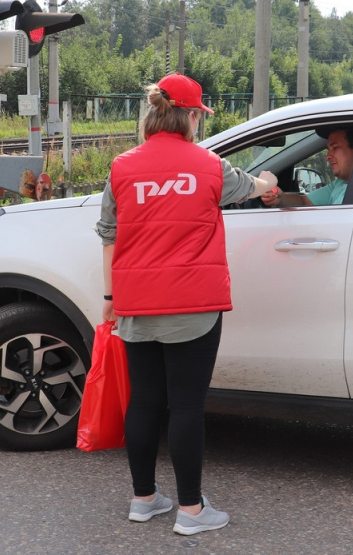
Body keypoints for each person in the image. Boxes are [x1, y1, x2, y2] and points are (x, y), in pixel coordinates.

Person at [95, 72, 276, 536]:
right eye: (199, 115)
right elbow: (251, 188)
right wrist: (269, 180)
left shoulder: (122, 168)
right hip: (193, 304)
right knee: (187, 406)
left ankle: (144, 499)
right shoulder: (210, 166)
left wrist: (110, 300)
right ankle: (192, 511)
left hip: (136, 302)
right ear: (191, 116)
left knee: (144, 402)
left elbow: (109, 236)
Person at [260, 124, 353, 207]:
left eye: (335, 148)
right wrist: (280, 197)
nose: (328, 156)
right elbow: (305, 202)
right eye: (328, 150)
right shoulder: (340, 184)